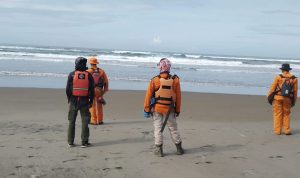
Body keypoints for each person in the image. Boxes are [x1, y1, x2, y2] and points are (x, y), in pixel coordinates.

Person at [143, 58, 184, 157]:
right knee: (173, 129)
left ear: (160, 67)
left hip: (157, 109)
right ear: (169, 67)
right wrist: (177, 110)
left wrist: (147, 109)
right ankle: (179, 149)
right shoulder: (175, 80)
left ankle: (159, 150)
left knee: (157, 129)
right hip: (170, 109)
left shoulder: (154, 80)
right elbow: (178, 96)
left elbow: (148, 96)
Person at [66, 57, 95, 148]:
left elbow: (67, 89)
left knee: (71, 121)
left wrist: (69, 99)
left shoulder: (71, 75)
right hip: (84, 101)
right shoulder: (89, 75)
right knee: (85, 121)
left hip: (74, 101)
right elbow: (92, 90)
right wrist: (91, 100)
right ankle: (84, 142)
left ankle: (70, 142)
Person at [268, 63, 298, 135]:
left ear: (282, 70)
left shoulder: (278, 77)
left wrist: (269, 96)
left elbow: (272, 88)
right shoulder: (294, 78)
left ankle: (277, 131)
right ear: (288, 70)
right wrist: (294, 101)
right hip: (288, 99)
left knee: (277, 114)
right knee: (286, 114)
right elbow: (295, 91)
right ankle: (287, 130)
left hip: (277, 98)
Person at [87, 56, 109, 125]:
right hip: (99, 90)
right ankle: (100, 120)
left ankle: (93, 121)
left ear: (90, 64)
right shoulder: (101, 71)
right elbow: (106, 82)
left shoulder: (88, 71)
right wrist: (104, 91)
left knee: (92, 105)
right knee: (99, 105)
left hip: (91, 90)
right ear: (96, 63)